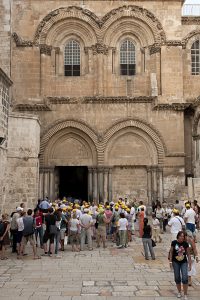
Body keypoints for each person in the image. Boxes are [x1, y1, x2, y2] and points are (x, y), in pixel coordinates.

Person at [169, 231, 191, 300]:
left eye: (183, 236)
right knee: (177, 277)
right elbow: (171, 252)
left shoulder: (185, 244)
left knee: (185, 278)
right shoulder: (174, 242)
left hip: (184, 262)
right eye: (181, 236)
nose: (182, 237)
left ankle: (185, 294)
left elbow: (188, 254)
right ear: (178, 236)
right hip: (175, 262)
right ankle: (179, 292)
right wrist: (170, 262)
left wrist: (190, 264)